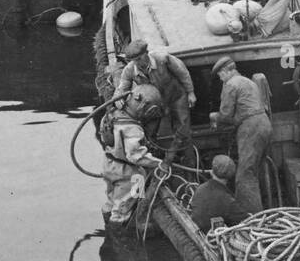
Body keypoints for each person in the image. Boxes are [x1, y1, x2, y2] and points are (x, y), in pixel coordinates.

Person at [115, 38, 197, 166]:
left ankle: (188, 163)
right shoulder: (130, 70)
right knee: (149, 133)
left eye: (140, 58)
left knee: (183, 130)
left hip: (176, 97)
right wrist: (118, 98)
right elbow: (122, 86)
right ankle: (152, 161)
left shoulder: (163, 59)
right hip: (154, 105)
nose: (138, 63)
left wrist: (190, 92)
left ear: (146, 53)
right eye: (134, 60)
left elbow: (183, 73)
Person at [208, 57, 272, 214]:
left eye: (220, 76)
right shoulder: (248, 81)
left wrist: (214, 116)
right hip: (265, 124)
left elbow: (226, 115)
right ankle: (267, 209)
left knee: (244, 175)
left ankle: (252, 218)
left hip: (250, 128)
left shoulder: (230, 84)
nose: (220, 79)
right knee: (256, 169)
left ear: (225, 72)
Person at [102, 84, 165, 230]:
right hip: (128, 172)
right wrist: (159, 163)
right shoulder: (132, 129)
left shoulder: (113, 114)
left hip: (109, 163)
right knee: (124, 207)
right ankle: (122, 236)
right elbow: (136, 157)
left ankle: (108, 229)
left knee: (112, 201)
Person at [187, 155, 248, 232]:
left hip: (197, 231)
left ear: (212, 171)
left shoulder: (200, 189)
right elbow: (247, 223)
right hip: (213, 238)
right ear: (232, 175)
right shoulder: (227, 201)